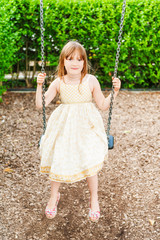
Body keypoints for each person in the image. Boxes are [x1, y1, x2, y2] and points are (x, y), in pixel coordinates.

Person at [36, 40, 121, 222]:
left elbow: (103, 105)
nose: (75, 63)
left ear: (84, 62)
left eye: (79, 59)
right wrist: (39, 86)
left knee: (90, 161)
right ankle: (53, 196)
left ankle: (94, 199)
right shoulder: (59, 82)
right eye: (70, 59)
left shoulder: (91, 80)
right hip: (64, 127)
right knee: (58, 157)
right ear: (63, 62)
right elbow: (40, 104)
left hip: (87, 128)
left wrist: (115, 91)